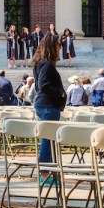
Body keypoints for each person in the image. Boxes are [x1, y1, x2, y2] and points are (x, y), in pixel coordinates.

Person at [32, 33, 66, 183]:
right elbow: (43, 85)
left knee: (49, 139)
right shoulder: (46, 65)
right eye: (59, 44)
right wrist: (60, 93)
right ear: (52, 46)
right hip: (48, 105)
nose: (60, 47)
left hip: (45, 105)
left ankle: (47, 171)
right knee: (48, 139)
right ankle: (44, 173)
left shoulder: (41, 63)